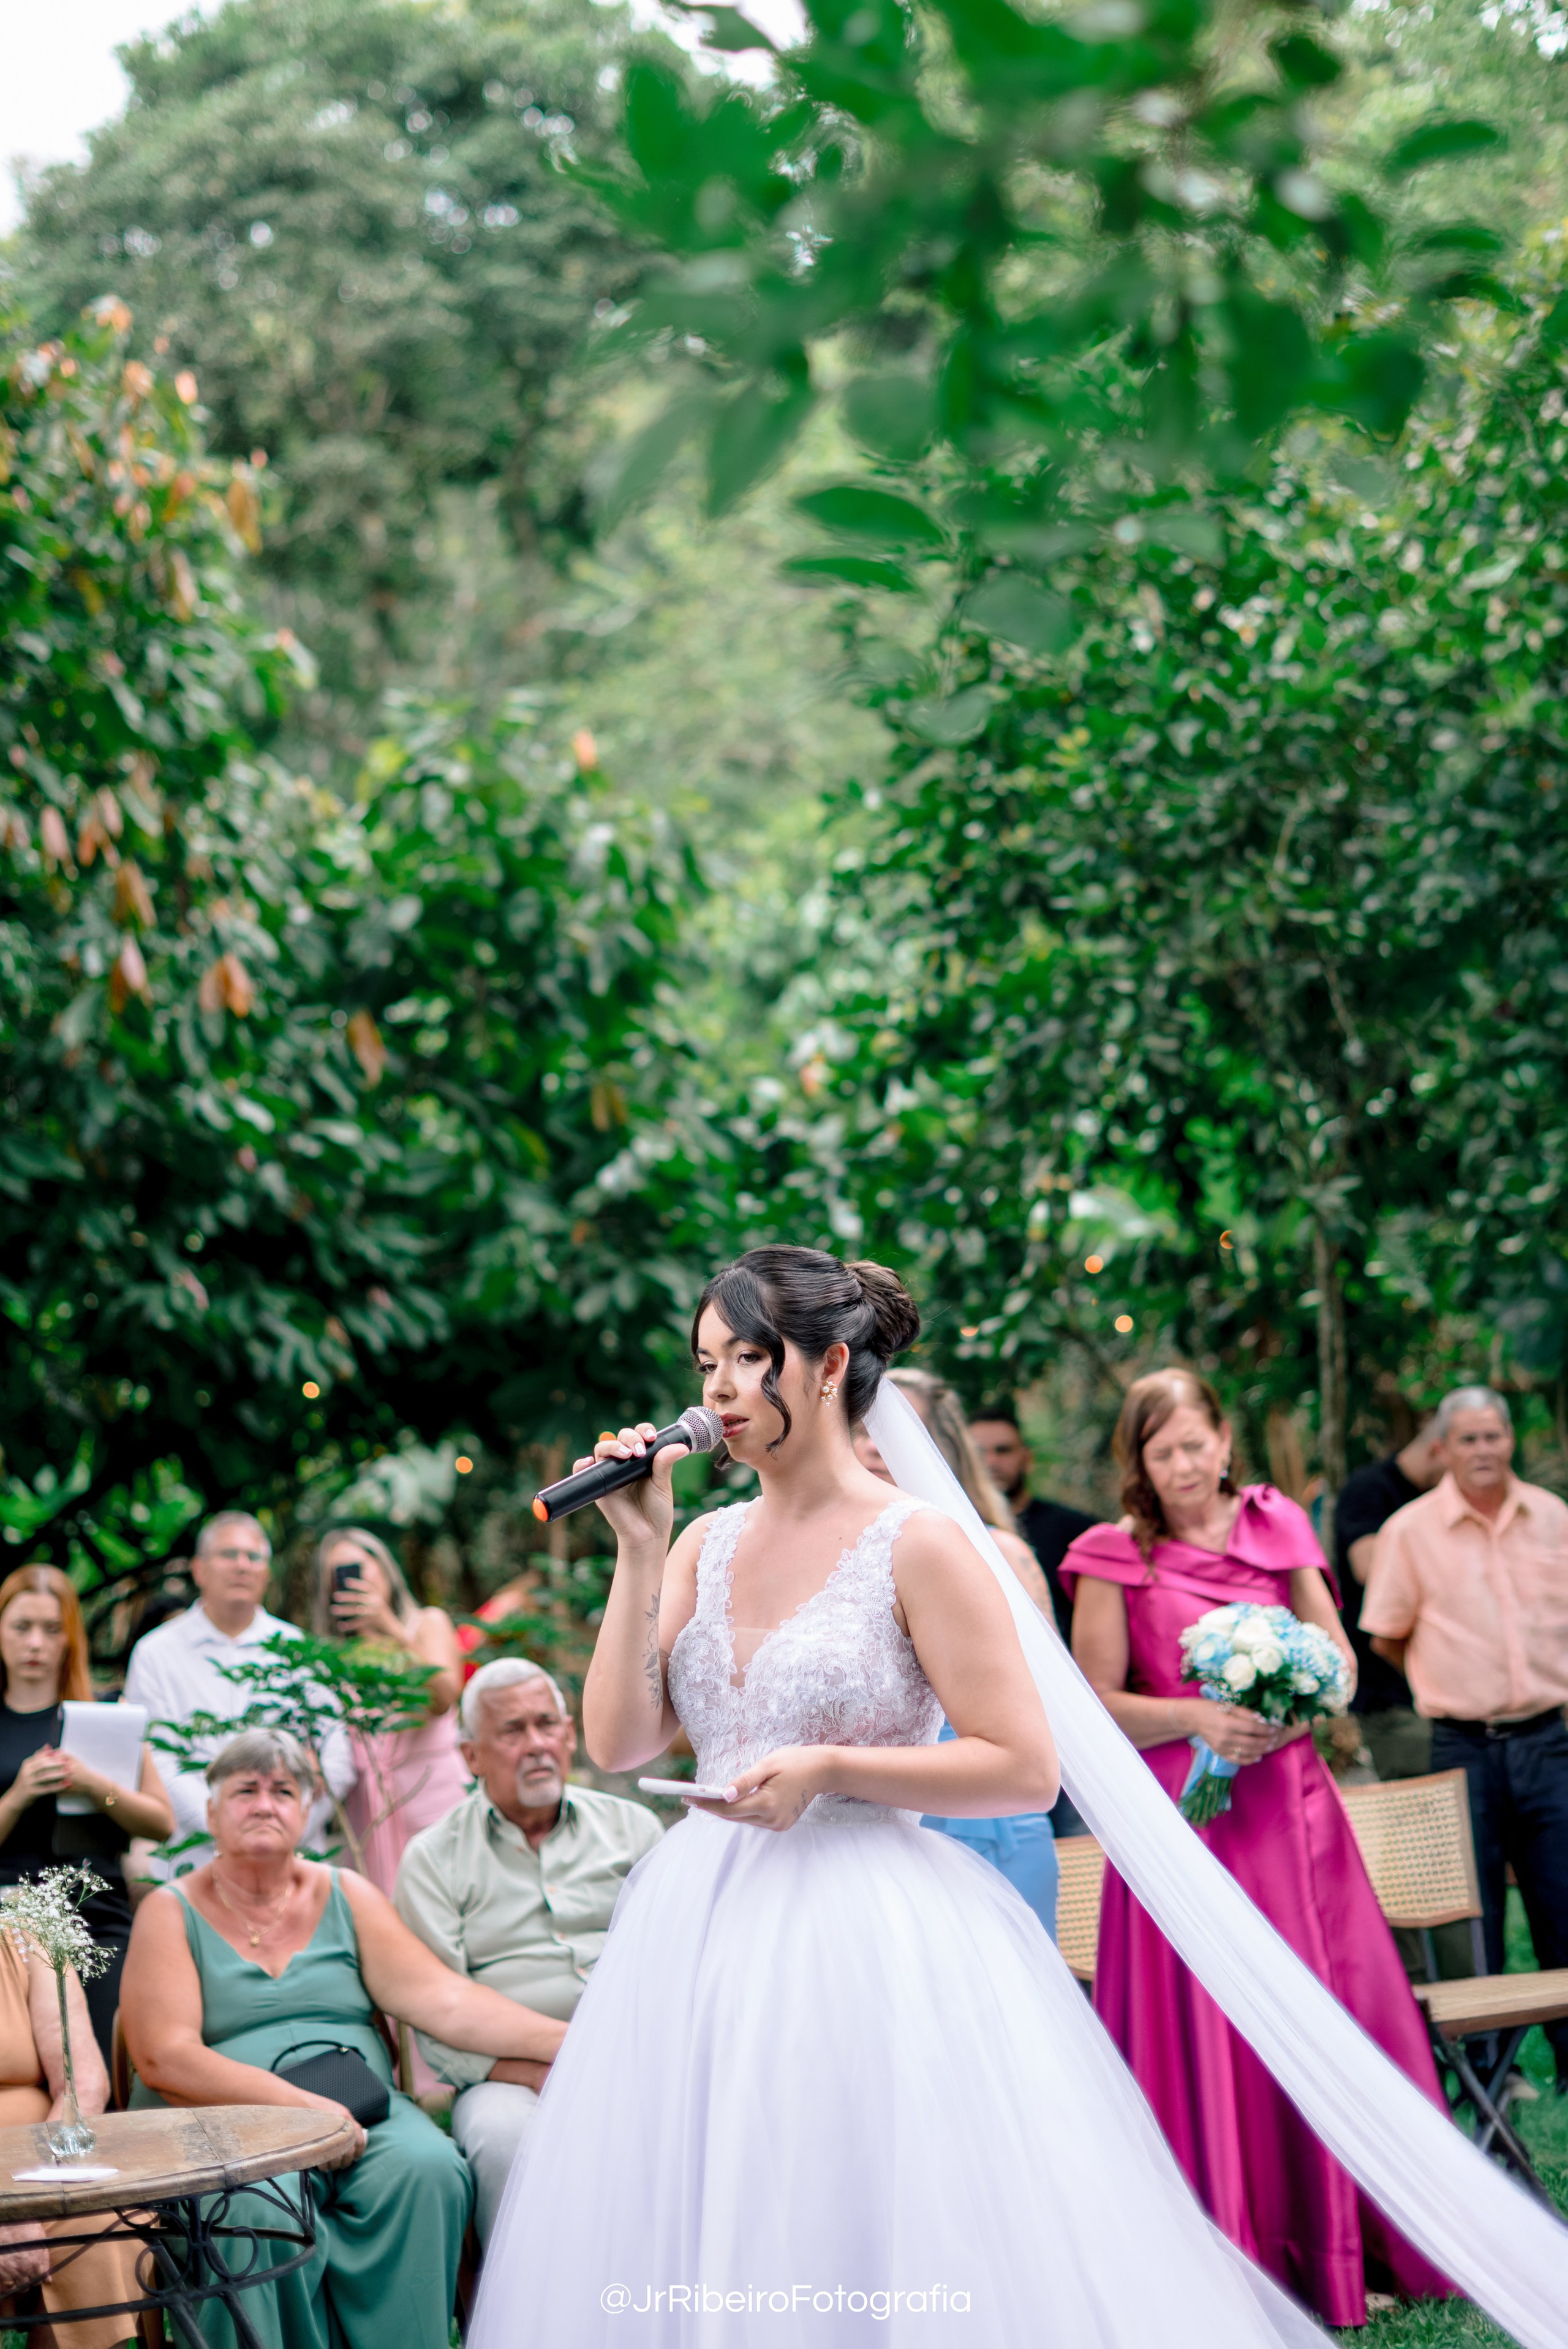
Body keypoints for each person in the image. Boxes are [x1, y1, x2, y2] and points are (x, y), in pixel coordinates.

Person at [469, 1246, 1374, 2349]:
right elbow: (619, 1739)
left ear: (828, 1365)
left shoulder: (921, 1542)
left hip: (865, 1919)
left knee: (858, 2195)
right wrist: (639, 1546)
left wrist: (831, 1769)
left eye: (748, 1358)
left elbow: (1024, 1764)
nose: (717, 1391)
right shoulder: (701, 1541)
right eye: (706, 1363)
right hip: (699, 1922)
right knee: (714, 2192)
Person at [1065, 1368, 1451, 2326]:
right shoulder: (1112, 1553)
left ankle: (1346, 2240)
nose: (1184, 1466)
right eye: (1162, 1452)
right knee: (1209, 2019)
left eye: (1196, 1444)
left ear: (1226, 1438)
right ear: (1138, 1462)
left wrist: (1298, 1696)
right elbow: (1092, 1700)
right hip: (1182, 1817)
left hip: (1289, 1810)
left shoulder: (1279, 1525)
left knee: (1318, 2002)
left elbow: (1341, 1658)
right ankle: (1222, 2247)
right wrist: (1197, 1714)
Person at [121, 1728, 568, 2349]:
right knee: (252, 2209)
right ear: (213, 1811)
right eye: (246, 1790)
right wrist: (302, 2111)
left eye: (284, 1790)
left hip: (361, 2110)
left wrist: (575, 2042)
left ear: (307, 1811)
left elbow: (445, 2000)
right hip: (224, 2126)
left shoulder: (347, 1893)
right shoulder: (170, 1909)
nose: (265, 1803)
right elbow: (163, 2056)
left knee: (428, 2168)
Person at [394, 1657, 663, 2242]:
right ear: (471, 1755)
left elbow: (672, 1962)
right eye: (513, 1731)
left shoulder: (633, 1829)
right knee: (504, 2140)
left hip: (637, 2051)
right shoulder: (434, 1858)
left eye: (547, 1724)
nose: (536, 1743)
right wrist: (536, 2071)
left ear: (569, 1736)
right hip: (509, 2077)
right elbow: (434, 2015)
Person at [1362, 1384, 1568, 2087]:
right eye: (1468, 1439)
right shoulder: (1408, 1530)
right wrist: (1452, 1683)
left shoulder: (1552, 1517)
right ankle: (1488, 2070)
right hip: (1460, 1745)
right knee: (1474, 1910)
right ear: (1443, 1448)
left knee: (1561, 1895)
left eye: (1493, 1436)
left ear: (1511, 1440)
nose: (1482, 1450)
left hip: (1547, 1740)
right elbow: (1386, 1636)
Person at [854, 1368, 1060, 1938]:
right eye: (860, 1429)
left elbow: (1047, 1698)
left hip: (989, 1816)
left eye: (891, 1431)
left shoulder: (1000, 1551)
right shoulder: (835, 1556)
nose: (871, 1446)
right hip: (873, 1819)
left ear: (937, 1448)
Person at [0, 1565, 173, 2062]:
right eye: (21, 1626)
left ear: (70, 1637)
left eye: (52, 1629)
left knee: (101, 2062)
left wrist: (98, 1788)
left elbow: (160, 1823)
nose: (36, 1643)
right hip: (10, 1917)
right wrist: (19, 1793)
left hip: (93, 1913)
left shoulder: (105, 1714)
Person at [124, 1512, 354, 1869]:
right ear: (199, 1570)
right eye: (229, 1554)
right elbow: (158, 1761)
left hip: (294, 1859)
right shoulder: (156, 1653)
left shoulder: (299, 1651)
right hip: (194, 1861)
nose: (242, 1566)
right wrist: (225, 1830)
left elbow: (337, 1759)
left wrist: (285, 1830)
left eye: (254, 1557)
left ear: (267, 1572)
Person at [0, 1928, 142, 2348]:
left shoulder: (25, 1931)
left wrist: (32, 2197)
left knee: (104, 2226)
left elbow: (82, 2081)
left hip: (36, 2172)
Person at [312, 1526, 467, 1898]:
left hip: (434, 1796)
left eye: (359, 1567)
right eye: (338, 1574)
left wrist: (389, 1628)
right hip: (369, 1813)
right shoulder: (332, 1657)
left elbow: (444, 1697)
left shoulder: (426, 1624)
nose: (353, 1581)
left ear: (384, 1569)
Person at [1334, 1413, 1447, 1785]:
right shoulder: (1370, 1489)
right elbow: (1367, 1567)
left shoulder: (1438, 1497)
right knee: (1423, 1801)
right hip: (1388, 1692)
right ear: (1438, 1450)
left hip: (1439, 1690)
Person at [969, 1401, 1098, 1645]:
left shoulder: (1078, 1531)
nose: (991, 1462)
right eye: (979, 1453)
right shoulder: (952, 1532)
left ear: (1027, 1458)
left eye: (1003, 1451)